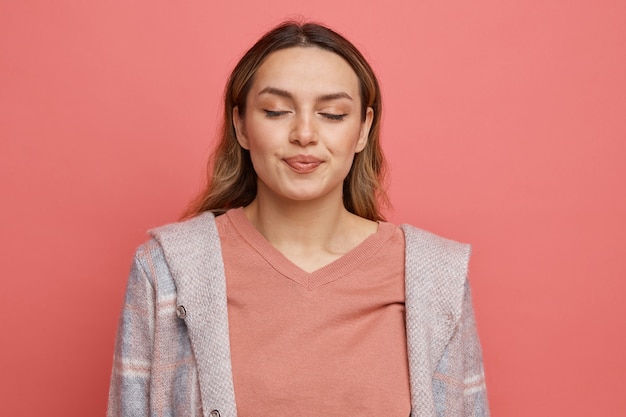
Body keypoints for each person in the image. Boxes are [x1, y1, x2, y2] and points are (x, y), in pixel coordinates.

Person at [107, 21, 489, 417]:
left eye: (332, 114)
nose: (304, 133)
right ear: (240, 125)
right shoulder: (167, 268)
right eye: (276, 111)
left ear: (363, 129)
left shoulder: (436, 274)